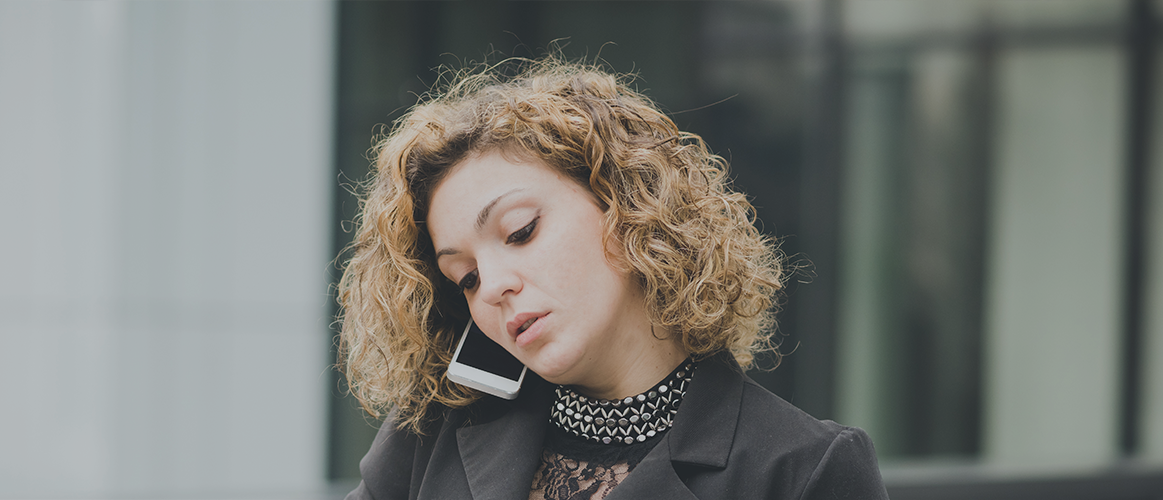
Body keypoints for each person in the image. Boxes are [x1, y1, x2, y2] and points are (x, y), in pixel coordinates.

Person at [337, 58, 887, 500]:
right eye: (466, 277)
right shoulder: (433, 433)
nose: (495, 286)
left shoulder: (802, 471)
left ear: (627, 208)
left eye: (521, 231)